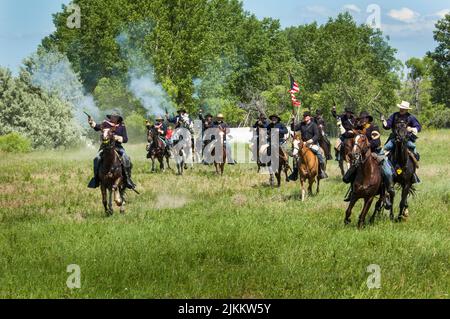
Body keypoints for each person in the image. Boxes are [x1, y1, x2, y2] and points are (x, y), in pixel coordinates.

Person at [343, 112, 395, 208]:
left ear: (367, 119)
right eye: (360, 119)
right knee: (352, 172)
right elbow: (347, 135)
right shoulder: (358, 128)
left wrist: (366, 145)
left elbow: (376, 142)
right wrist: (348, 131)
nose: (361, 120)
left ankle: (387, 192)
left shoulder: (374, 127)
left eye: (363, 118)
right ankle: (353, 191)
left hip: (375, 152)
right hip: (362, 155)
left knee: (387, 172)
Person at [88, 112, 136, 190]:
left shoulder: (121, 126)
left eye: (115, 117)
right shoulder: (105, 124)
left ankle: (127, 179)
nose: (113, 118)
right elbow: (96, 127)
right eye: (112, 117)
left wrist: (117, 138)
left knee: (126, 158)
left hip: (117, 147)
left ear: (118, 119)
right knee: (96, 159)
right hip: (105, 148)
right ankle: (95, 179)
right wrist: (91, 122)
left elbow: (125, 139)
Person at [289, 111, 328, 181]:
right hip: (303, 144)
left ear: (309, 117)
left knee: (320, 154)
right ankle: (295, 173)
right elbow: (293, 128)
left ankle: (321, 171)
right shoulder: (301, 124)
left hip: (312, 144)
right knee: (295, 157)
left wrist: (311, 140)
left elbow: (317, 135)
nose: (305, 117)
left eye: (306, 116)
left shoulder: (314, 125)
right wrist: (293, 121)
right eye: (304, 116)